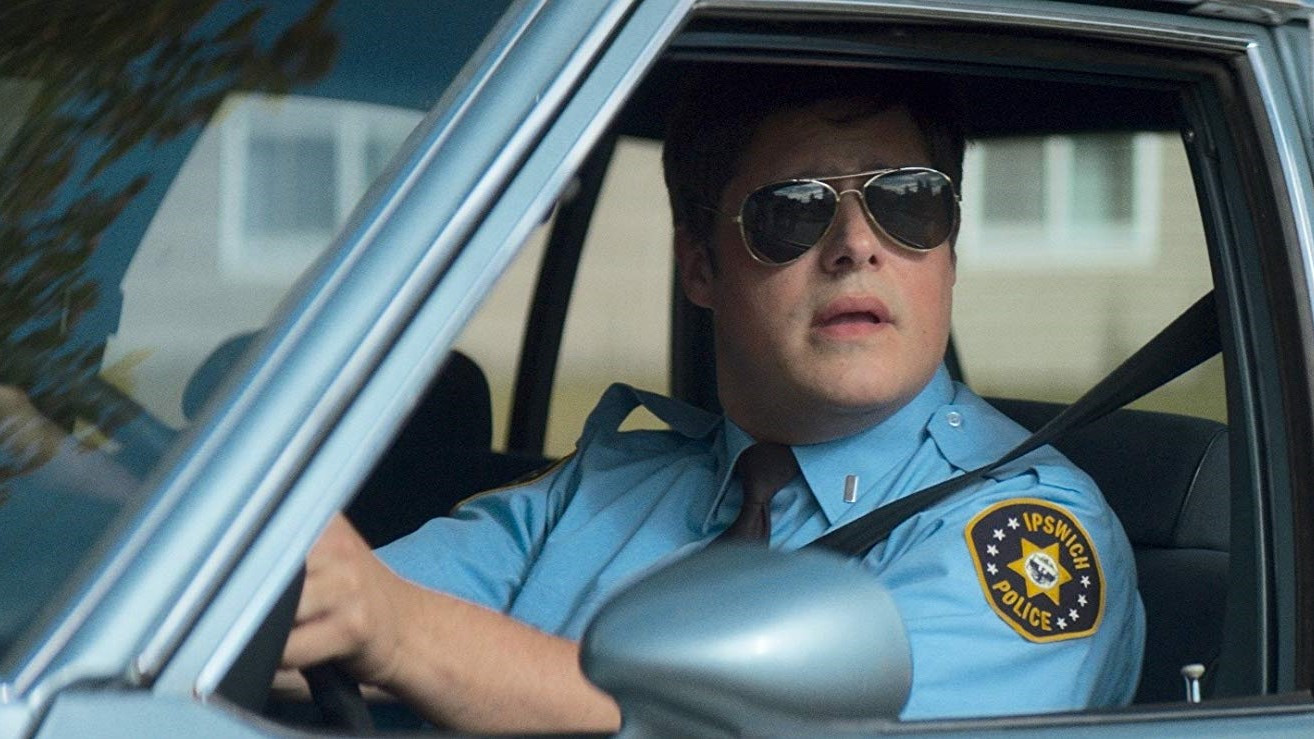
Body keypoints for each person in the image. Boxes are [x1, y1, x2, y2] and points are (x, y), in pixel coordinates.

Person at [279, 66, 1145, 731]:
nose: (856, 244)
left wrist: (397, 634)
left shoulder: (1027, 536)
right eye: (794, 210)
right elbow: (322, 613)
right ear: (699, 265)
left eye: (907, 203)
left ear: (949, 250)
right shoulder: (602, 487)